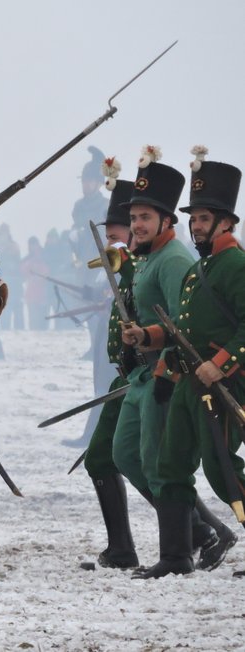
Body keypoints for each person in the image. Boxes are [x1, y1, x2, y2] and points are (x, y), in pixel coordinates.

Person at [107, 145, 228, 578]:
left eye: (144, 217)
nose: (136, 224)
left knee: (162, 464)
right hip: (143, 373)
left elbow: (187, 324)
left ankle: (181, 550)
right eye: (134, 216)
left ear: (165, 222)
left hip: (166, 375)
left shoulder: (174, 259)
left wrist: (162, 361)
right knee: (125, 455)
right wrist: (140, 335)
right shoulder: (145, 259)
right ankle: (203, 531)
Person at [79, 163, 141, 570]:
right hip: (126, 378)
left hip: (151, 379)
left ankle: (204, 531)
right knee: (100, 458)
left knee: (153, 465)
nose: (111, 236)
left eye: (118, 229)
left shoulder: (152, 264)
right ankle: (121, 548)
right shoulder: (125, 265)